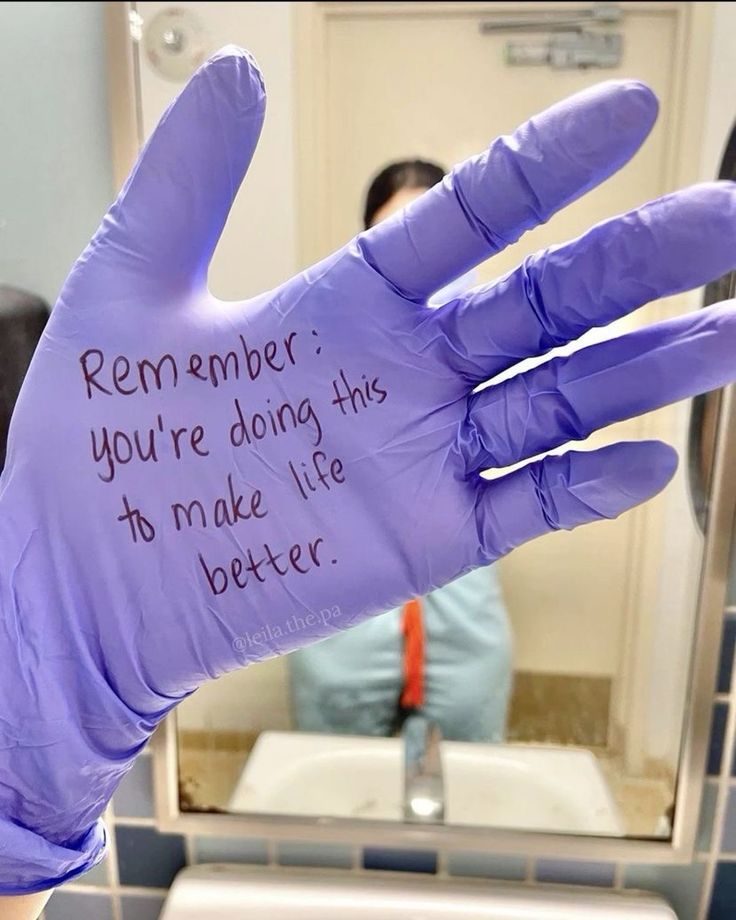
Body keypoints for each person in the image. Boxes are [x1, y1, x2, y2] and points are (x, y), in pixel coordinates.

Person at [3, 49, 736, 919]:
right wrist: (42, 706)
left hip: (454, 617)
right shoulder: (294, 385)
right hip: (334, 623)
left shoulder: (485, 423)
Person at [288, 160, 512, 743]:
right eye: (398, 237)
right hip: (343, 616)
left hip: (464, 615)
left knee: (464, 792)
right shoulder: (311, 350)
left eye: (437, 238)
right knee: (333, 790)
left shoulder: (500, 351)